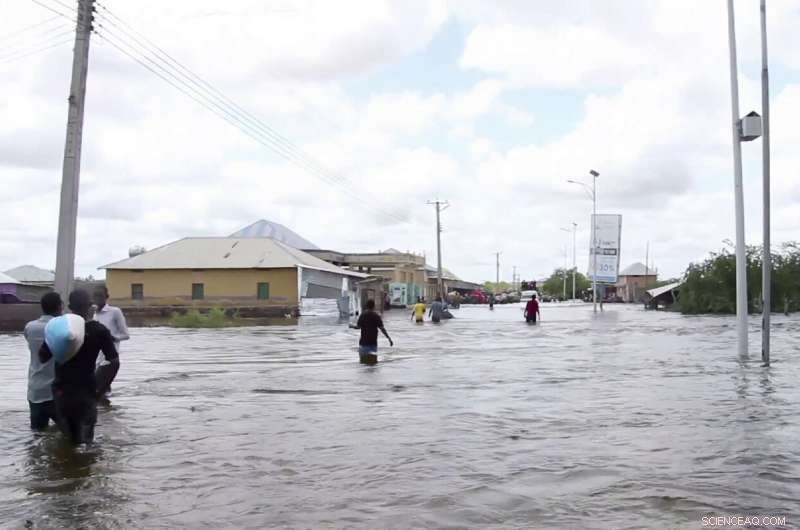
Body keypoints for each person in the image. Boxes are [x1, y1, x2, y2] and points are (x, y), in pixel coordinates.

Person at [39, 290, 119, 445]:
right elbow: (114, 362)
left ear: (69, 306)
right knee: (86, 441)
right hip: (87, 390)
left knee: (69, 438)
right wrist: (100, 390)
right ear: (90, 307)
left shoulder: (59, 329)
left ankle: (68, 466)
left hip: (62, 390)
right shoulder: (99, 330)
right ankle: (84, 466)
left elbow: (43, 357)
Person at [24, 292, 63, 431]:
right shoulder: (62, 327)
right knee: (70, 436)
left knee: (37, 435)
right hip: (56, 391)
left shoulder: (30, 327)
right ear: (60, 307)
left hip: (35, 390)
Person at [92, 286, 129, 363]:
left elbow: (126, 335)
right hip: (93, 359)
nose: (97, 298)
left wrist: (112, 338)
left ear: (106, 297)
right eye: (95, 295)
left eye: (100, 295)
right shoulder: (91, 313)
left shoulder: (115, 312)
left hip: (109, 359)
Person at [349, 299, 393, 364]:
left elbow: (358, 327)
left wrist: (351, 326)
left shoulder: (363, 315)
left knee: (363, 363)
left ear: (367, 306)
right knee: (373, 362)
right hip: (373, 343)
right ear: (374, 306)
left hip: (363, 343)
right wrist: (389, 338)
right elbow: (382, 328)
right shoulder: (376, 316)